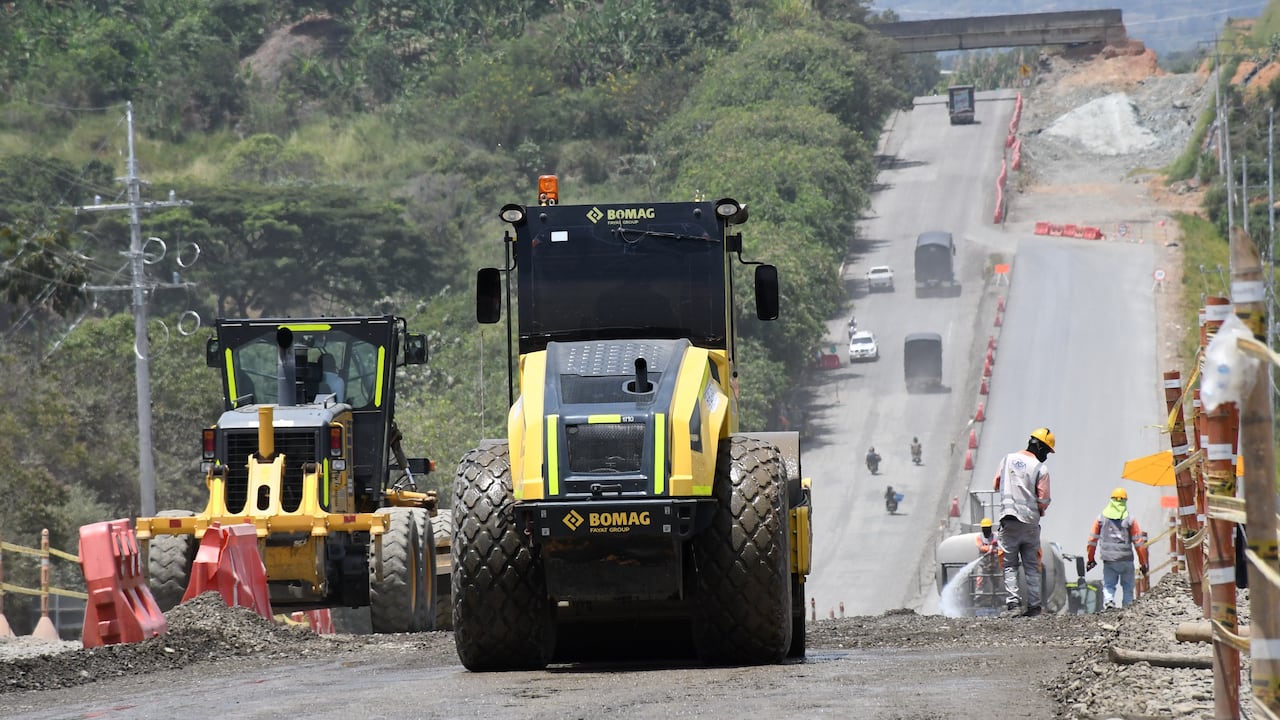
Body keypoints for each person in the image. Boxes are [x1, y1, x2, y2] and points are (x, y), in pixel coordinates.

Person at [993, 427, 1055, 617]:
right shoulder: (1040, 469)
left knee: (1010, 564)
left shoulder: (1007, 459)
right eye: (1046, 451)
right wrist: (1039, 510)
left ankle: (1013, 606)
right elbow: (1044, 499)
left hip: (1009, 520)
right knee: (1031, 565)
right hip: (1030, 524)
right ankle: (1035, 607)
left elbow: (996, 483)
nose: (1046, 455)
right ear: (1039, 447)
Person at [1085, 487, 1149, 609]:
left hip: (1109, 561)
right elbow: (1139, 543)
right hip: (1126, 560)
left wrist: (1090, 558)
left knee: (1109, 585)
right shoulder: (1130, 519)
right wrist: (1143, 563)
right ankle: (1127, 606)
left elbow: (1092, 540)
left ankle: (1109, 601)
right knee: (1128, 586)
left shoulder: (1101, 518)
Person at [973, 517, 1002, 605]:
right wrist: (989, 548)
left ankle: (997, 598)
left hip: (995, 564)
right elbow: (980, 547)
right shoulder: (979, 537)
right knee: (980, 580)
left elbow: (1001, 548)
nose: (986, 530)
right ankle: (978, 598)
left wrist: (995, 549)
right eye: (984, 529)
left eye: (987, 528)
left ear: (990, 528)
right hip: (983, 564)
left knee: (997, 581)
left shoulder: (996, 537)